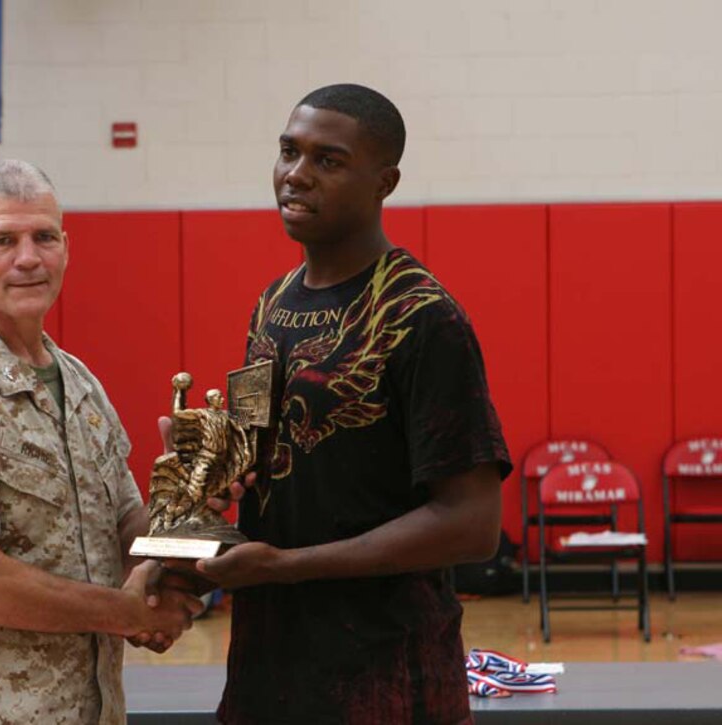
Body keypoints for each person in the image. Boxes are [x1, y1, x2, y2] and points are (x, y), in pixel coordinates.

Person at [196, 84, 513, 724]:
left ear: (384, 182)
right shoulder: (272, 303)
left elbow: (472, 524)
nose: (296, 175)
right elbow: (257, 451)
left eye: (328, 160)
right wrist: (207, 473)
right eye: (289, 151)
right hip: (266, 671)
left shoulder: (424, 317)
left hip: (387, 678)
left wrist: (288, 568)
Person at [0, 159, 202, 724]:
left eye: (43, 237)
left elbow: (124, 532)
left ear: (66, 249)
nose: (28, 258)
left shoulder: (79, 384)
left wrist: (188, 500)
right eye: (3, 240)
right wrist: (126, 613)